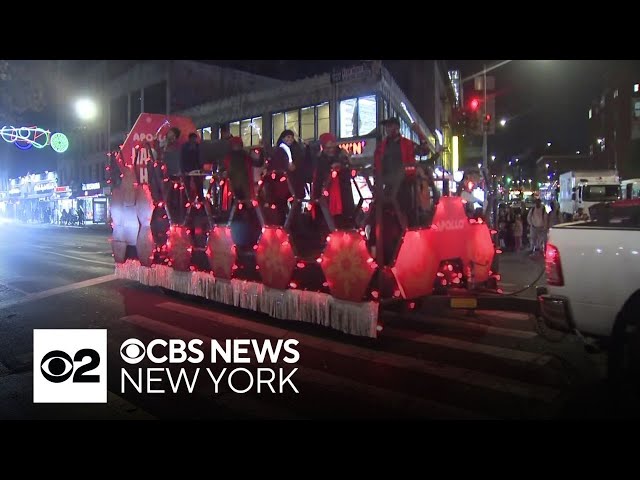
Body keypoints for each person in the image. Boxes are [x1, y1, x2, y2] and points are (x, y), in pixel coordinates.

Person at [368, 117, 431, 261]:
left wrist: (420, 133)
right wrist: (376, 185)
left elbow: (425, 150)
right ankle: (383, 250)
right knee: (382, 217)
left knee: (409, 215)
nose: (388, 129)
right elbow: (376, 167)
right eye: (386, 127)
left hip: (405, 186)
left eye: (390, 126)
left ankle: (413, 248)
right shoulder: (382, 146)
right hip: (388, 188)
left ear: (397, 127)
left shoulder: (407, 144)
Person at [313, 132, 354, 227]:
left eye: (332, 147)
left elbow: (350, 173)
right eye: (327, 147)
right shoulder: (319, 159)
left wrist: (343, 166)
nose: (330, 150)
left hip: (342, 196)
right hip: (325, 197)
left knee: (343, 222)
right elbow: (317, 179)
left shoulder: (342, 156)